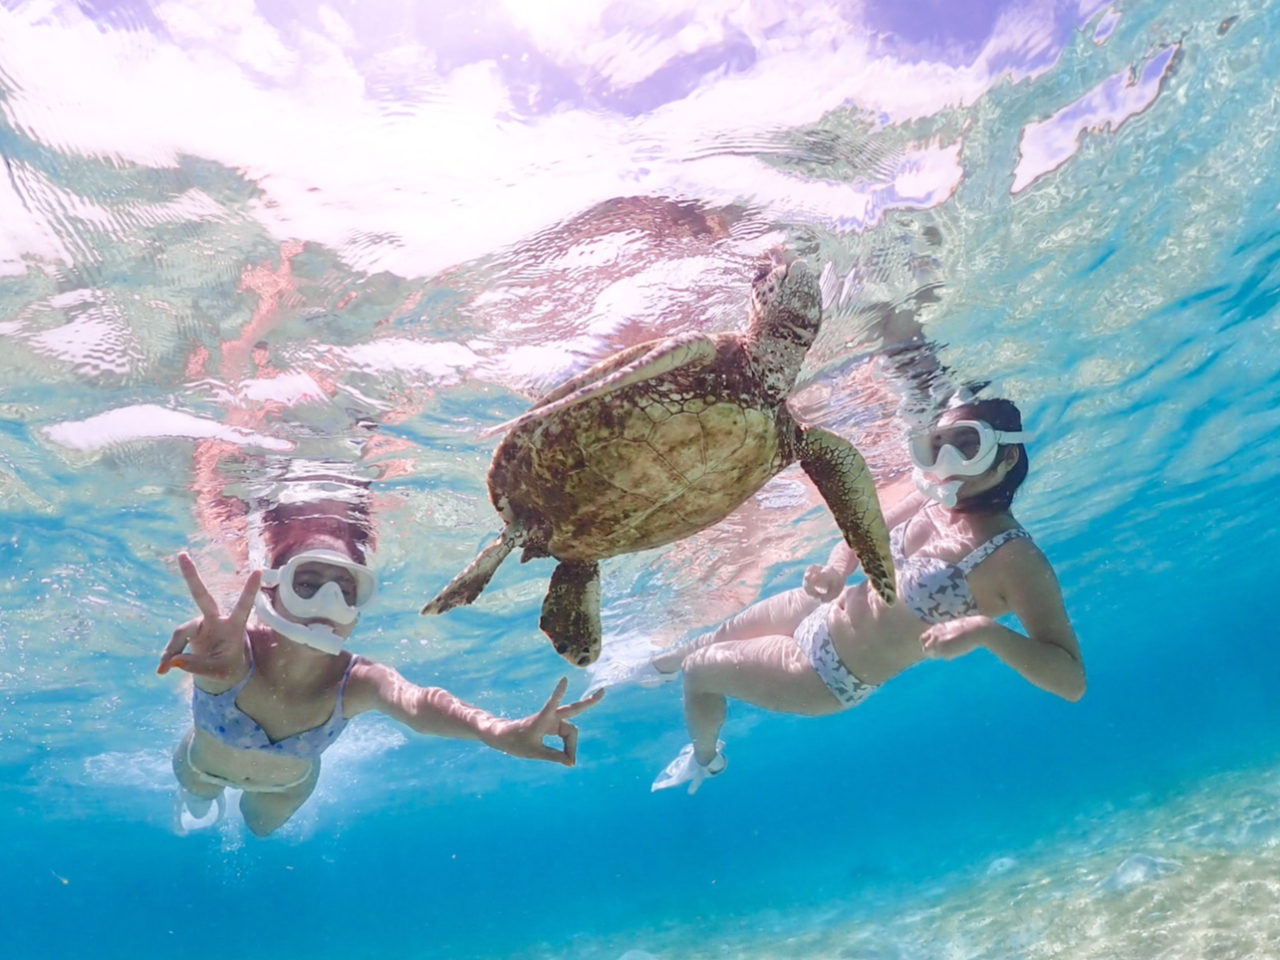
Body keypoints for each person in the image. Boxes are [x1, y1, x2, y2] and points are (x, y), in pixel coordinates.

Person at [590, 397, 1085, 794]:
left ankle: (705, 759)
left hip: (826, 675)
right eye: (938, 445)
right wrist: (833, 572)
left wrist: (986, 632)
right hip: (823, 608)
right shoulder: (934, 498)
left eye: (967, 445)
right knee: (705, 643)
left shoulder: (1016, 560)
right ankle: (647, 668)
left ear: (1007, 456)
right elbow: (860, 532)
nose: (947, 462)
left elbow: (1071, 680)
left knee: (701, 672)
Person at [159, 533, 604, 837]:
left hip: (285, 788)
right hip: (202, 766)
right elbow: (208, 647)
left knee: (260, 831)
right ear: (272, 592)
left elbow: (418, 704)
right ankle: (199, 806)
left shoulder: (358, 681)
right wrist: (205, 657)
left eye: (345, 591)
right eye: (307, 585)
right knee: (199, 796)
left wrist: (496, 731)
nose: (328, 603)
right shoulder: (228, 652)